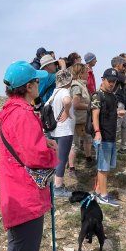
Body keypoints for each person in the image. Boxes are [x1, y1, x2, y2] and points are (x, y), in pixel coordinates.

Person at [0, 61, 58, 251]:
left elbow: (21, 146)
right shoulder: (24, 114)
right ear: (29, 87)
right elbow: (36, 157)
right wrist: (51, 152)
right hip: (26, 198)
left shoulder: (7, 113)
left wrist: (42, 142)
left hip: (12, 194)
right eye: (37, 81)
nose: (40, 83)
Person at [91, 68, 125, 207]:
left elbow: (108, 113)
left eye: (114, 81)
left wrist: (118, 113)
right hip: (103, 136)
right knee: (103, 168)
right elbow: (95, 115)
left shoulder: (112, 96)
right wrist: (97, 131)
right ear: (103, 80)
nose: (111, 83)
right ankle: (104, 197)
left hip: (111, 136)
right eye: (109, 81)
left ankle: (99, 191)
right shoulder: (97, 95)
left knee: (105, 168)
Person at [46, 69, 75, 197]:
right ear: (68, 80)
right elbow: (67, 101)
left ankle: (53, 184)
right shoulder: (64, 91)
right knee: (62, 159)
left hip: (55, 130)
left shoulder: (55, 92)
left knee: (57, 158)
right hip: (65, 130)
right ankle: (58, 188)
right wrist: (67, 111)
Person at [68, 63, 93, 178]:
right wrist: (90, 106)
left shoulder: (80, 85)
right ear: (80, 73)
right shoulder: (77, 86)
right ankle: (71, 169)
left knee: (87, 138)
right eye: (85, 72)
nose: (88, 75)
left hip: (83, 119)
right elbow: (76, 104)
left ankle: (88, 159)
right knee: (75, 144)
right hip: (78, 120)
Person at [111, 56, 126, 154]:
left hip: (120, 103)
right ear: (118, 64)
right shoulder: (116, 73)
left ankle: (125, 147)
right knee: (116, 128)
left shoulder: (116, 73)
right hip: (117, 103)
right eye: (123, 63)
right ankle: (109, 149)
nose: (124, 65)